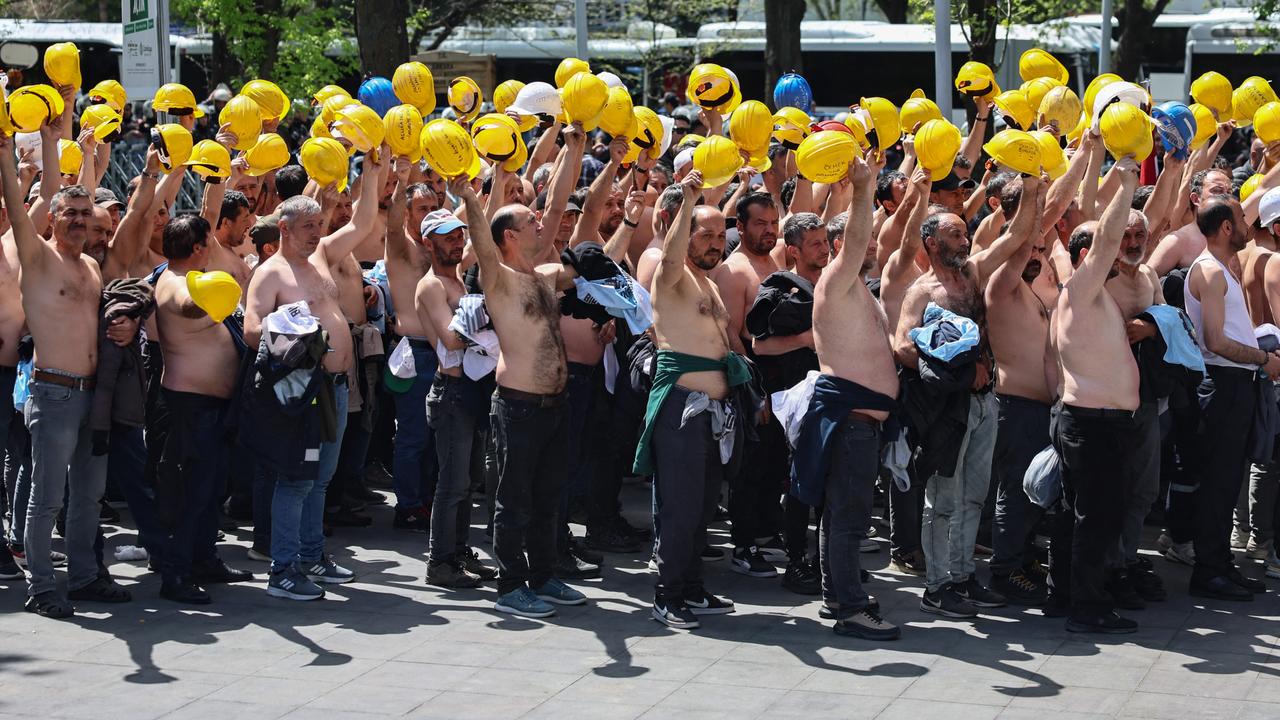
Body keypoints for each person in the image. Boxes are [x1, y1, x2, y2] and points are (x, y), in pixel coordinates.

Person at [892, 174, 1042, 619]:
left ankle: (961, 576)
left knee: (974, 495)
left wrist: (1032, 189)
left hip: (986, 401)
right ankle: (937, 587)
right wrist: (954, 368)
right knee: (943, 498)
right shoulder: (923, 291)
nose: (964, 238)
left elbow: (1016, 235)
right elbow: (902, 346)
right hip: (948, 408)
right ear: (932, 243)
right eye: (954, 233)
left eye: (964, 231)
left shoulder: (973, 271)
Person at [1, 126, 132, 618]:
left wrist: (119, 330)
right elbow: (18, 206)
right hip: (54, 392)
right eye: (69, 213)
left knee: (89, 496)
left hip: (93, 396)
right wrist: (8, 150)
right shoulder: (36, 258)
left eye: (85, 214)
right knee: (47, 497)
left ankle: (82, 577)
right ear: (52, 219)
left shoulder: (92, 269)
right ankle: (41, 587)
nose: (79, 221)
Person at [244, 157, 383, 598]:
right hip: (302, 392)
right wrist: (293, 329)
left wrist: (375, 168)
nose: (317, 231)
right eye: (308, 225)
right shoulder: (270, 274)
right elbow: (251, 329)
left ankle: (311, 554)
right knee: (297, 480)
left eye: (319, 223)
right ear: (283, 229)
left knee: (320, 478)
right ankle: (282, 570)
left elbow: (362, 222)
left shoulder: (322, 255)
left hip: (337, 385)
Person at [471, 180, 589, 618]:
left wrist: (574, 147)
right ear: (510, 237)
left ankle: (542, 576)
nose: (541, 222)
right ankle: (509, 586)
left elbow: (559, 208)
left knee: (548, 497)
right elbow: (481, 242)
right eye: (529, 220)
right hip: (518, 406)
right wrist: (468, 196)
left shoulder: (543, 275)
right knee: (514, 498)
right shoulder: (498, 279)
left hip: (555, 404)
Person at [798, 151, 901, 640]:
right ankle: (851, 608)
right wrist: (864, 188)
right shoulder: (837, 279)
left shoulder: (856, 286)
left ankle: (837, 596)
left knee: (839, 516)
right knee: (849, 520)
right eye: (862, 239)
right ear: (842, 246)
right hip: (849, 423)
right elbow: (859, 236)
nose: (872, 243)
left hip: (860, 423)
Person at [636, 169, 740, 630]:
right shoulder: (671, 276)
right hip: (681, 407)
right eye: (706, 234)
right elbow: (672, 257)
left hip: (713, 412)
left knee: (701, 506)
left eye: (721, 234)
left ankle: (691, 587)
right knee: (680, 506)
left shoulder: (711, 283)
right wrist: (688, 200)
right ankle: (668, 595)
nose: (716, 241)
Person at [153, 215, 253, 603]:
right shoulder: (176, 285)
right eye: (208, 241)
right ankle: (175, 575)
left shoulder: (195, 276)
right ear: (198, 247)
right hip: (190, 406)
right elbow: (186, 305)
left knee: (211, 490)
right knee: (192, 493)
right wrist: (211, 298)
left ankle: (205, 560)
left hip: (213, 407)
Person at [1183, 195, 1278, 600]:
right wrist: (1263, 358)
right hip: (1223, 385)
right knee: (1219, 483)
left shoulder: (1223, 268)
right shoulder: (1210, 271)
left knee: (1228, 479)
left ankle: (1221, 564)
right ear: (1225, 227)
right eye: (1240, 218)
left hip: (1237, 384)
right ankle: (1209, 572)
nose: (1245, 224)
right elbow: (1215, 340)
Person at [412, 201, 496, 588]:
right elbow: (450, 337)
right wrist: (488, 327)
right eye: (449, 237)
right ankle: (440, 562)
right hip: (451, 392)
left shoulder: (461, 281)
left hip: (473, 389)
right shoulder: (431, 285)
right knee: (453, 483)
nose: (458, 242)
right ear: (430, 244)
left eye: (460, 235)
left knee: (469, 479)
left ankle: (459, 552)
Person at [984, 176, 1055, 606]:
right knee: (1016, 491)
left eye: (1043, 252)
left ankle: (1023, 557)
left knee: (1034, 493)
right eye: (1031, 250)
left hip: (1040, 409)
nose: (1037, 256)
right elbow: (1022, 241)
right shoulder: (1001, 287)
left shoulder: (1034, 291)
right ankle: (1004, 570)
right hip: (1016, 408)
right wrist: (1031, 198)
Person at [713, 191, 785, 577]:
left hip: (781, 378)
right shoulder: (734, 270)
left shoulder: (774, 260)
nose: (769, 230)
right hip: (753, 380)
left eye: (773, 223)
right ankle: (743, 544)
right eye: (760, 223)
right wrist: (754, 392)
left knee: (773, 463)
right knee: (749, 467)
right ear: (739, 226)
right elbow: (730, 332)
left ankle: (764, 531)